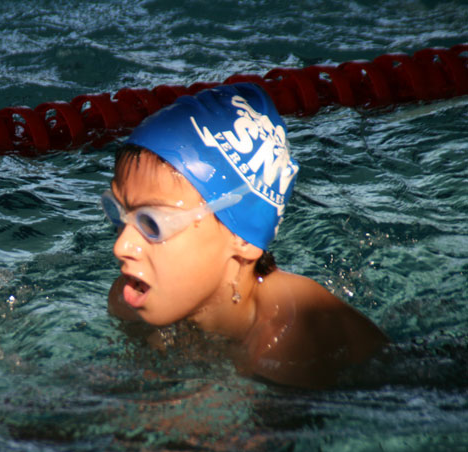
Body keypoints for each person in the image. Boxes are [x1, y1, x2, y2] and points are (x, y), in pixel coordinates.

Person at [102, 82, 388, 389]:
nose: (122, 246)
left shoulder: (285, 342)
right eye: (118, 213)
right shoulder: (130, 300)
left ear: (242, 239)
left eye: (152, 224)